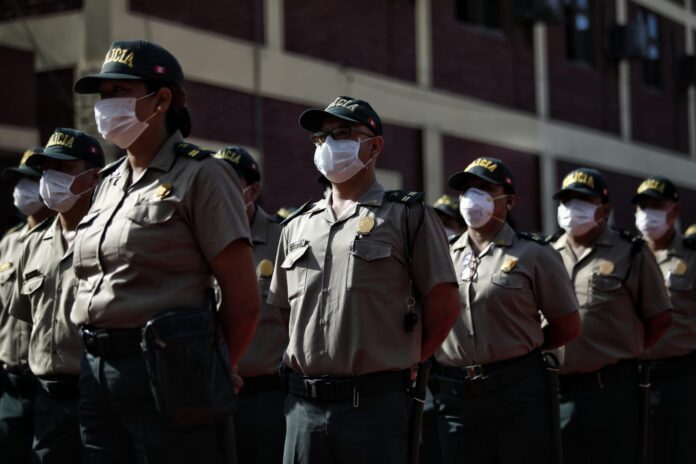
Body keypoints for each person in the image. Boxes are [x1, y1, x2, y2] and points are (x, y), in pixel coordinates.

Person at [71, 39, 260, 463]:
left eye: (120, 91)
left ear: (161, 100)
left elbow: (244, 300)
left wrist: (213, 366)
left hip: (169, 370)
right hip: (96, 368)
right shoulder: (106, 183)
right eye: (104, 94)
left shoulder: (203, 175)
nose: (106, 104)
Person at [268, 96, 460, 464]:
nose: (328, 144)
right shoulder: (297, 225)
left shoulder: (407, 215)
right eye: (321, 137)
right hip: (303, 406)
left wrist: (408, 356)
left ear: (374, 146)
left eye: (342, 134)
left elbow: (445, 303)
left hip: (374, 407)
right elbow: (283, 312)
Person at [433, 157, 581, 464]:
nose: (473, 197)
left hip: (515, 390)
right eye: (468, 189)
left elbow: (567, 324)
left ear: (509, 201)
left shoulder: (534, 253)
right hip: (455, 394)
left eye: (485, 189)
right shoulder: (442, 254)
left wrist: (521, 347)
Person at [550, 167, 672, 464]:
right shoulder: (547, 252)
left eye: (583, 200)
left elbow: (659, 318)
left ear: (604, 209)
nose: (572, 208)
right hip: (558, 393)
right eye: (567, 200)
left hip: (612, 391)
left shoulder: (631, 252)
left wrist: (624, 350)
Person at [8, 128, 104, 462]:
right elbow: (26, 316)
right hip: (47, 397)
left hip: (98, 394)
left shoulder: (109, 237)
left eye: (64, 168)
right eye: (47, 169)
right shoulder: (32, 243)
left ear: (94, 176)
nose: (51, 178)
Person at [213, 146, 286, 464]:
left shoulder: (283, 239)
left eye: (228, 182)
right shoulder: (197, 236)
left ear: (252, 191)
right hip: (209, 395)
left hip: (266, 398)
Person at [632, 176, 696, 464]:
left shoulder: (691, 256)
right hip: (633, 376)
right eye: (643, 206)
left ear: (675, 210)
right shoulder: (628, 255)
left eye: (657, 205)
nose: (649, 213)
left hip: (681, 376)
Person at [0, 150, 54, 463]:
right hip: (10, 383)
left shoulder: (67, 236)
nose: (22, 189)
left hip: (50, 384)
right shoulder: (8, 243)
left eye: (32, 180)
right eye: (19, 180)